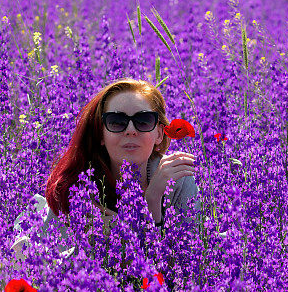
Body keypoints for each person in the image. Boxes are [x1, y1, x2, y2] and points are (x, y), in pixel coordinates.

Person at [12, 78, 201, 261]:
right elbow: (69, 274)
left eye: (143, 121)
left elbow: (186, 266)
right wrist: (149, 207)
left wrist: (153, 201)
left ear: (159, 134)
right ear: (101, 134)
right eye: (117, 122)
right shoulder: (77, 188)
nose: (130, 130)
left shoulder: (177, 179)